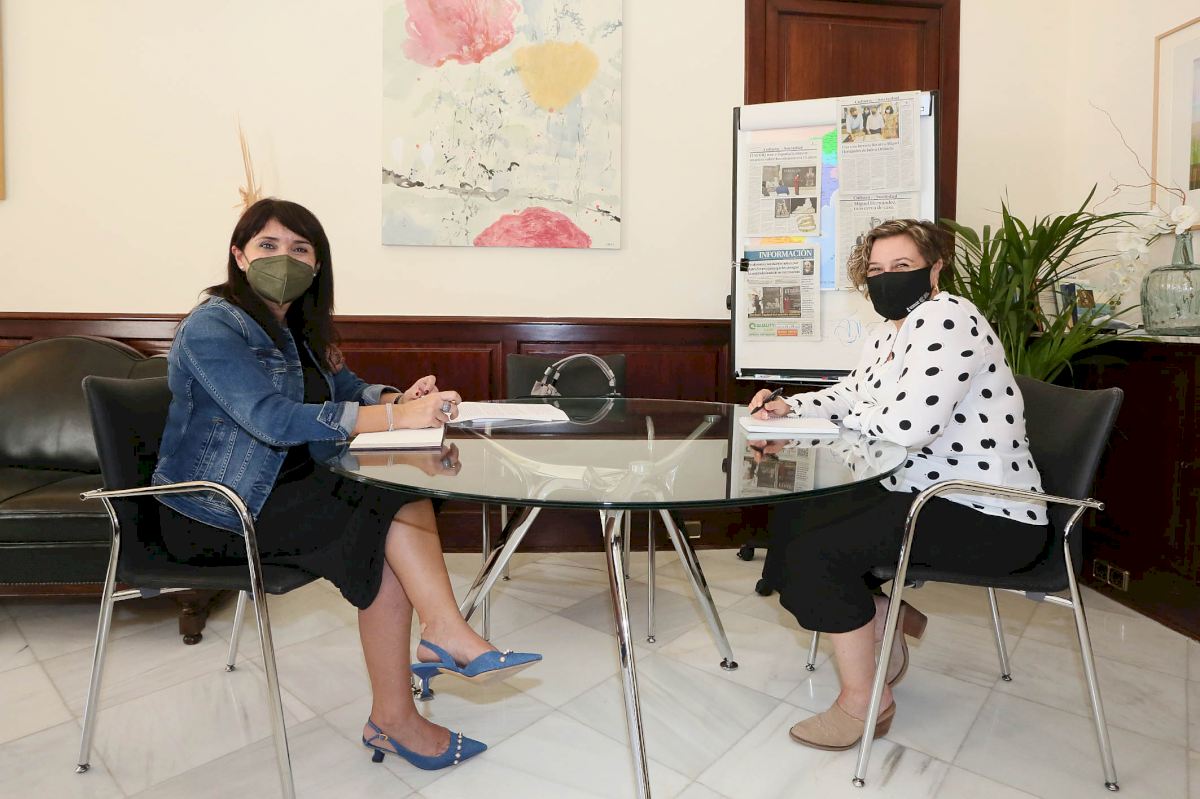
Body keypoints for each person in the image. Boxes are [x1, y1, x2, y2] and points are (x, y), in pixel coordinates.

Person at [152, 198, 542, 770]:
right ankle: (423, 669)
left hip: (285, 491)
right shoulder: (213, 326)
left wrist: (399, 399)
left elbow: (348, 389)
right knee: (381, 516)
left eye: (300, 249)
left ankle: (415, 680)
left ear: (316, 266)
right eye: (268, 245)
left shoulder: (299, 329)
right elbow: (270, 419)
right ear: (239, 255)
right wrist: (396, 420)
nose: (284, 259)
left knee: (391, 501)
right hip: (217, 510)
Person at [747, 219, 1050, 750]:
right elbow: (850, 395)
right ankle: (882, 614)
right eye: (876, 269)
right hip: (918, 492)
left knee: (820, 551)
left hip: (986, 511)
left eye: (902, 266)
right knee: (797, 514)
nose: (887, 278)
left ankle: (866, 702)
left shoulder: (949, 318)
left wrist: (853, 415)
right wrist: (790, 406)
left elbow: (909, 426)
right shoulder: (888, 333)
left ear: (935, 270)